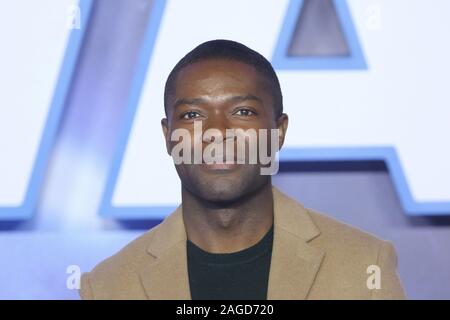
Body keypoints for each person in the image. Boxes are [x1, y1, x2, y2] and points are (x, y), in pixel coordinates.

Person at [79, 39, 405, 300]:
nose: (218, 132)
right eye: (193, 115)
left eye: (243, 111)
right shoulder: (108, 287)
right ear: (168, 136)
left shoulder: (365, 266)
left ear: (278, 132)